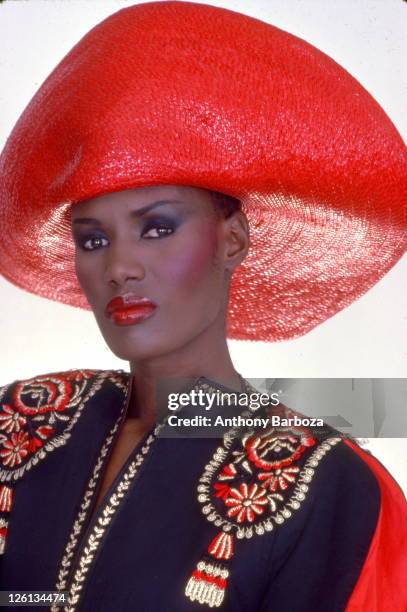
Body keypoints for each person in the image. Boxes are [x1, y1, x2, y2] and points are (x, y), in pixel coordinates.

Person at [0, 2, 406, 611]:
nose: (120, 266)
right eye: (92, 238)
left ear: (233, 240)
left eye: (157, 227)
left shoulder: (329, 486)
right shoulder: (23, 425)